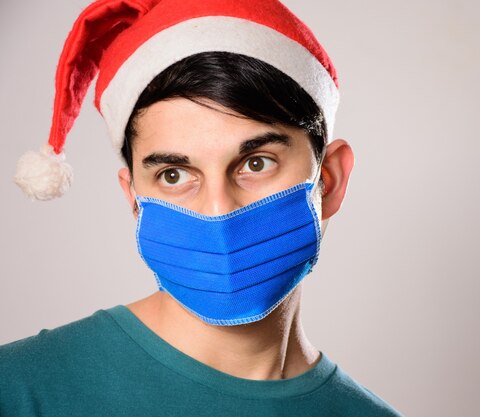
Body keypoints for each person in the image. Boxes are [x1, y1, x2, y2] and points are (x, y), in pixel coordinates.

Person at [1, 0, 402, 415]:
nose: (218, 210)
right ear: (134, 199)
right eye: (174, 174)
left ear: (330, 181)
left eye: (256, 163)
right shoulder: (16, 390)